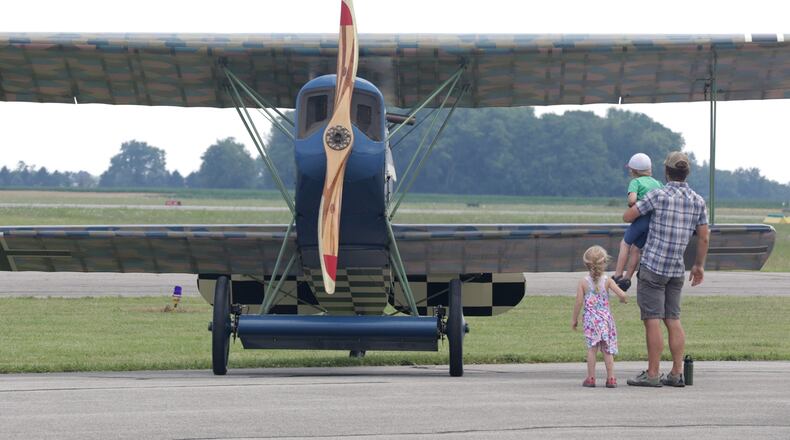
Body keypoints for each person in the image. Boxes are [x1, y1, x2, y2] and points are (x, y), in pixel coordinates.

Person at [623, 151, 709, 388]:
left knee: (652, 319)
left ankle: (652, 373)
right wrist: (698, 266)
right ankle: (676, 372)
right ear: (687, 172)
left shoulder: (658, 196)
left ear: (666, 172)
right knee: (673, 319)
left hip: (653, 266)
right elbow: (703, 238)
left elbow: (628, 216)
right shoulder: (697, 201)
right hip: (676, 269)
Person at [571, 245, 628, 388]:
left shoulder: (583, 282)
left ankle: (590, 378)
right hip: (605, 320)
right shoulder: (607, 280)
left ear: (587, 264)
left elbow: (578, 302)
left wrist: (574, 319)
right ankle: (611, 378)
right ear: (604, 262)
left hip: (591, 321)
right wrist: (623, 299)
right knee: (607, 350)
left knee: (592, 349)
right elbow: (622, 294)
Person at [612, 153, 663, 292]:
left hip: (640, 219)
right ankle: (627, 278)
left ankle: (617, 275)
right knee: (636, 249)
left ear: (634, 170)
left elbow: (632, 200)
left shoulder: (635, 182)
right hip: (652, 222)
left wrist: (634, 205)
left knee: (625, 244)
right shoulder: (657, 183)